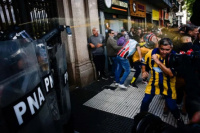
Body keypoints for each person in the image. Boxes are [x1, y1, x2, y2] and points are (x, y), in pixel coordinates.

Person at [140, 38, 184, 127]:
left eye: (167, 49)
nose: (164, 52)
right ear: (158, 47)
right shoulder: (151, 53)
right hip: (154, 83)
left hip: (168, 85)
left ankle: (179, 119)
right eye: (162, 49)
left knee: (172, 106)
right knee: (145, 102)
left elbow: (171, 74)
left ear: (171, 48)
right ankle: (142, 117)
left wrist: (157, 61)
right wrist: (144, 71)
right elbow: (143, 62)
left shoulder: (175, 57)